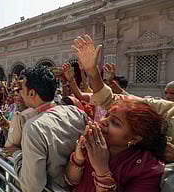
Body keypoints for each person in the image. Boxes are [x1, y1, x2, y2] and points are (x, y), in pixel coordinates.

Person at [63, 34, 169, 191]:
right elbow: (70, 182)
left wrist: (101, 170)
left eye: (115, 123)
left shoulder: (147, 168)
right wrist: (78, 157)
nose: (103, 121)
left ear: (134, 138)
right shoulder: (92, 144)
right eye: (107, 115)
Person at [12, 65, 87, 192]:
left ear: (31, 93)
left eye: (22, 89)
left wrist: (17, 155)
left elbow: (32, 186)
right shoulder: (76, 112)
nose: (20, 93)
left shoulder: (34, 127)